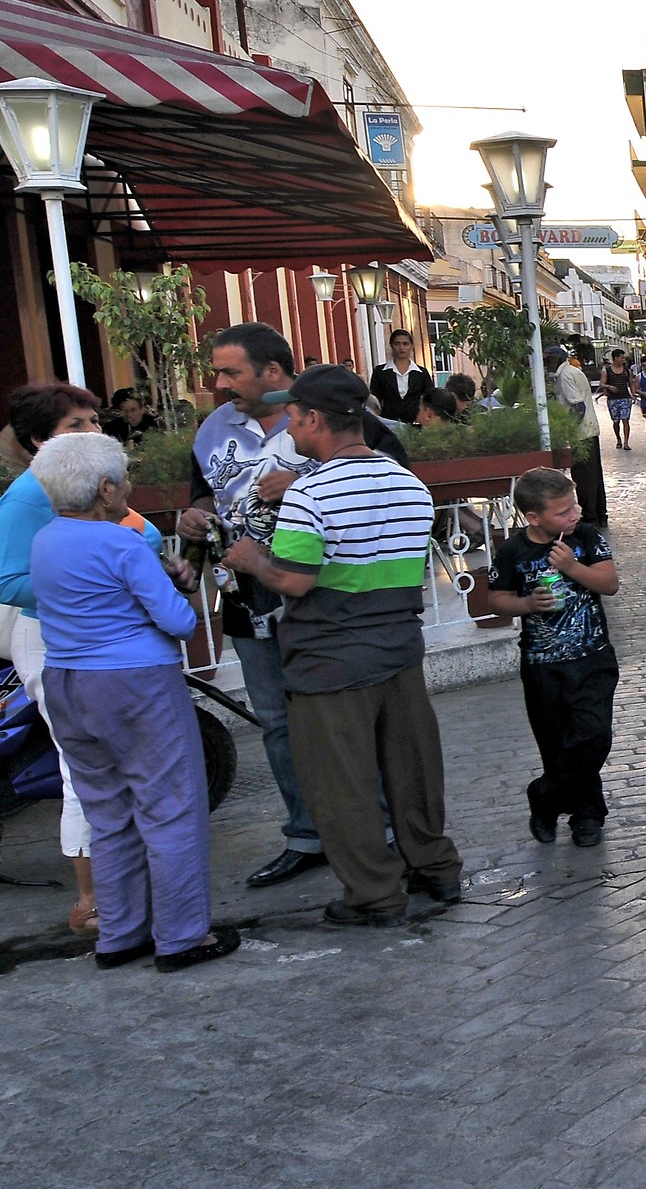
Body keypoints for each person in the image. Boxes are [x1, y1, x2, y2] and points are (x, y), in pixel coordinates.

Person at [219, 366, 462, 925]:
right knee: (412, 770)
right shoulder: (407, 482)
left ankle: (375, 894)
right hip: (399, 647)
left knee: (342, 782)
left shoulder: (309, 490)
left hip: (329, 657)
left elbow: (296, 579)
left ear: (313, 420)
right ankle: (436, 869)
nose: (288, 425)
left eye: (293, 416)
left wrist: (252, 559)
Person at [179, 324, 407, 891]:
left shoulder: (332, 412)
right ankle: (306, 836)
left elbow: (394, 482)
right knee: (277, 723)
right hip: (248, 597)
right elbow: (203, 491)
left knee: (350, 716)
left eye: (231, 371)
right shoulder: (212, 429)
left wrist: (308, 479)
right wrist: (194, 515)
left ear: (273, 372)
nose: (219, 381)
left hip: (327, 595)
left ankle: (377, 831)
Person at [27, 434, 236, 972]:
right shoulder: (121, 543)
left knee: (109, 812)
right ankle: (183, 936)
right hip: (135, 683)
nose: (128, 488)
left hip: (68, 683)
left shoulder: (45, 540)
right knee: (170, 809)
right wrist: (182, 584)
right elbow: (179, 621)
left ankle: (120, 934)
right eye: (123, 479)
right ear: (104, 489)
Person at [0, 382, 145, 934]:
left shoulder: (92, 487)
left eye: (92, 421)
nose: (92, 433)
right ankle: (92, 901)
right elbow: (9, 580)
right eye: (75, 426)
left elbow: (138, 540)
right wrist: (91, 587)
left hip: (97, 641)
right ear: (40, 441)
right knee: (82, 767)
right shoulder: (28, 496)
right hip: (54, 643)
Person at [487, 468, 619, 847]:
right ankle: (586, 814)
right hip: (542, 663)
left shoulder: (585, 538)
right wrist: (528, 603)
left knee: (593, 736)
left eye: (574, 506)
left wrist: (571, 567)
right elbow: (497, 600)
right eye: (562, 512)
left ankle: (545, 796)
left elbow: (609, 584)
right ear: (534, 517)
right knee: (557, 742)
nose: (573, 515)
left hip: (592, 656)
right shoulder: (514, 551)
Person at [547, 344, 609, 527]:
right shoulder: (571, 372)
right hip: (589, 431)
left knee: (584, 477)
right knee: (594, 476)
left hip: (581, 434)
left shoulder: (565, 376)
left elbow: (577, 406)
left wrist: (569, 430)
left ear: (557, 359)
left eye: (549, 360)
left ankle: (590, 516)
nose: (547, 365)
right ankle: (599, 514)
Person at [369, 328, 436, 425]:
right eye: (397, 343)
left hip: (415, 424)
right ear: (391, 345)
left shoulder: (421, 373)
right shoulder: (380, 372)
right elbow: (375, 400)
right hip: (388, 423)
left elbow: (430, 398)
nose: (401, 348)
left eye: (405, 344)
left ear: (411, 346)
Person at [601, 350, 635, 451]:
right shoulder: (607, 371)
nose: (623, 359)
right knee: (616, 421)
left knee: (625, 420)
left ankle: (626, 442)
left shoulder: (626, 370)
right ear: (615, 358)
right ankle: (618, 439)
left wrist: (633, 394)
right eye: (622, 357)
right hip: (613, 399)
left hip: (625, 397)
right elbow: (601, 383)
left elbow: (631, 383)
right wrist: (609, 386)